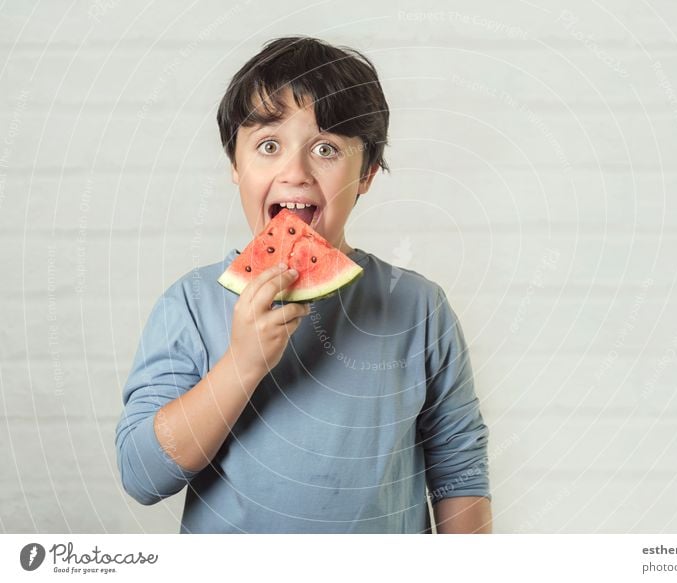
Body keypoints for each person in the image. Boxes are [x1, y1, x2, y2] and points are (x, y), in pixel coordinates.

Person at [114, 36, 492, 533]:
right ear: (235, 165)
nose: (295, 171)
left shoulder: (418, 307)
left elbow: (458, 468)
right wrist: (243, 363)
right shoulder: (191, 303)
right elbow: (142, 476)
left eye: (326, 148)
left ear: (368, 173)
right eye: (268, 146)